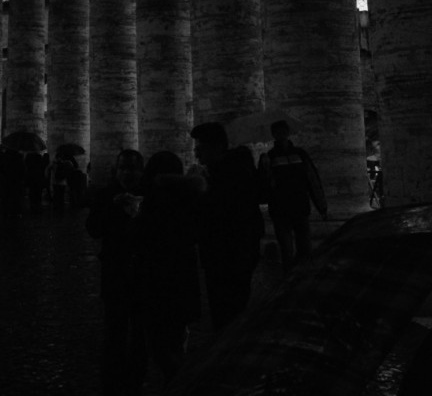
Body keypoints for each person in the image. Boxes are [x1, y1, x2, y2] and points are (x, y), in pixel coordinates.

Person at [132, 151, 203, 387]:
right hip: (184, 279)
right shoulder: (191, 197)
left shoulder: (155, 199)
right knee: (176, 340)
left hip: (158, 281)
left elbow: (144, 238)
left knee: (159, 345)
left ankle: (184, 385)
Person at [190, 121, 263, 331]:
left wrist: (198, 191)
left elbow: (217, 216)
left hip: (227, 257)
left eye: (200, 148)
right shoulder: (230, 172)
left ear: (217, 147)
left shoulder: (227, 178)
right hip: (230, 256)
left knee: (227, 316)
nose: (196, 154)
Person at [85, 149, 145, 396]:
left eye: (132, 168)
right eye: (123, 168)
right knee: (114, 329)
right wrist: (112, 208)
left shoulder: (150, 195)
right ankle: (112, 380)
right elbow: (94, 229)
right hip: (115, 272)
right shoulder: (106, 195)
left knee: (141, 330)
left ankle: (136, 379)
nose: (127, 173)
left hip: (143, 274)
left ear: (141, 171)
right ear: (116, 171)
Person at [257, 119, 328, 272]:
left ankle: (302, 278)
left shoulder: (300, 154)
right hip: (281, 209)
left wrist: (322, 206)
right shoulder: (269, 157)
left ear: (288, 133)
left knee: (304, 249)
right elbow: (263, 186)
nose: (281, 135)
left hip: (299, 207)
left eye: (283, 131)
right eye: (278, 132)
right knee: (287, 251)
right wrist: (265, 170)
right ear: (274, 134)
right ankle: (291, 279)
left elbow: (312, 179)